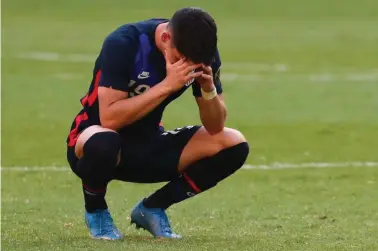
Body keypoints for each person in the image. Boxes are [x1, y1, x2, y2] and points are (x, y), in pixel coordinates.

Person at [66, 7, 249, 240]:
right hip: (92, 143)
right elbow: (110, 119)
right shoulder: (124, 43)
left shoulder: (201, 52)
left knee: (233, 143)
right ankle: (96, 211)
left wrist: (209, 89)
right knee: (105, 141)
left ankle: (152, 208)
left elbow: (215, 127)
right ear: (165, 38)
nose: (186, 67)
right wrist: (167, 85)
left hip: (148, 143)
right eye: (179, 60)